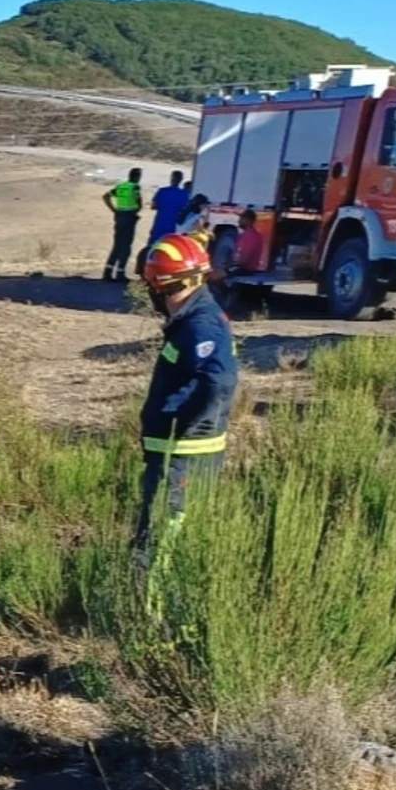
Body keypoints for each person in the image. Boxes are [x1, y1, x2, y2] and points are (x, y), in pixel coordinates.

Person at [133, 235, 238, 561]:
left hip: (182, 455)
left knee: (159, 546)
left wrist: (184, 422)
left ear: (160, 286)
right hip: (182, 453)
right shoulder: (197, 318)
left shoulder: (200, 325)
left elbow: (219, 381)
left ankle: (147, 610)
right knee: (169, 538)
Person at [141, 170, 190, 274]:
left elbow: (154, 206)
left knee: (152, 248)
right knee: (169, 250)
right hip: (173, 227)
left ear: (171, 178)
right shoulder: (184, 195)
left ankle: (145, 270)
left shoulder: (162, 191)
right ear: (180, 180)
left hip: (159, 224)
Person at [101, 167, 144, 282]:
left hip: (119, 216)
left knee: (117, 244)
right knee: (126, 246)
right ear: (137, 177)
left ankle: (108, 272)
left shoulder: (121, 186)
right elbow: (139, 202)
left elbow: (106, 196)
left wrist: (114, 210)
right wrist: (137, 209)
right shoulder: (135, 187)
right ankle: (120, 272)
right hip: (129, 216)